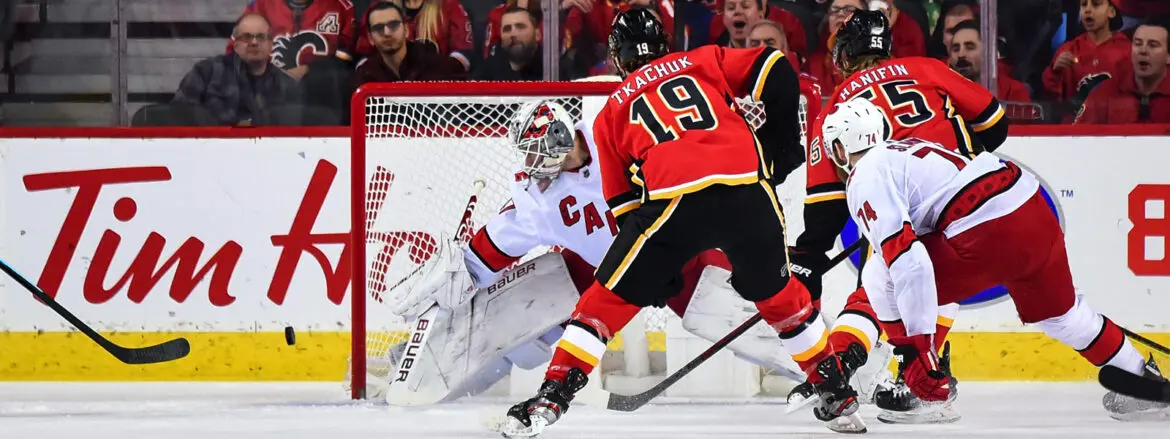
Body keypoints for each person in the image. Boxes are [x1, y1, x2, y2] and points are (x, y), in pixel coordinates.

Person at [497, 9, 857, 439]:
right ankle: (833, 387)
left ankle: (552, 395)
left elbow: (624, 204)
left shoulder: (611, 111)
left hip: (674, 201)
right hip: (749, 191)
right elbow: (773, 64)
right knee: (780, 295)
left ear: (616, 57)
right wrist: (778, 143)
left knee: (604, 300)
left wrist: (653, 271)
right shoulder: (703, 59)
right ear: (664, 43)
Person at [377, 92, 811, 408]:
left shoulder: (616, 134)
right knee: (524, 330)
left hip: (675, 252)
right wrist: (458, 278)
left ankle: (827, 368)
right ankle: (439, 377)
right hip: (596, 270)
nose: (534, 163)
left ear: (562, 138)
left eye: (539, 150)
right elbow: (491, 251)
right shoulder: (537, 196)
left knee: (751, 305)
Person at [821, 97, 1169, 425]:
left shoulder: (864, 174)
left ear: (839, 148)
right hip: (1031, 205)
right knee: (1064, 316)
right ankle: (1144, 380)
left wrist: (916, 350)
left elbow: (909, 262)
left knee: (880, 272)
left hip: (986, 228)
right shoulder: (908, 147)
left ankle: (920, 382)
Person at [788, 9, 1009, 424]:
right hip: (969, 196)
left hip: (896, 209)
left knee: (881, 282)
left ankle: (851, 370)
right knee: (943, 277)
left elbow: (825, 208)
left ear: (844, 56)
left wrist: (809, 255)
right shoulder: (927, 68)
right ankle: (917, 375)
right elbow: (995, 124)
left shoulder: (834, 109)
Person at [174, 13, 301, 126]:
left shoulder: (287, 85)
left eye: (261, 37)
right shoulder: (206, 73)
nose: (254, 42)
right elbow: (179, 114)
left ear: (271, 45)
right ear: (235, 45)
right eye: (246, 37)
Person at [1076, 19, 1170, 124]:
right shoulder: (1108, 90)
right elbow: (1080, 136)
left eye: (1153, 45)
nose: (1143, 51)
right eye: (1138, 44)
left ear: (1168, 57)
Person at [1042, 0, 1130, 104]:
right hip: (1074, 118)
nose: (1087, 10)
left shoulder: (1128, 51)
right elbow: (1051, 99)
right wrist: (1055, 73)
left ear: (1111, 11)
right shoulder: (1068, 50)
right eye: (1083, 5)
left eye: (1096, 4)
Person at [947, 20, 1032, 103]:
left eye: (970, 47)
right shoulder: (940, 92)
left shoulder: (1012, 91)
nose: (961, 54)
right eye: (956, 49)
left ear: (988, 52)